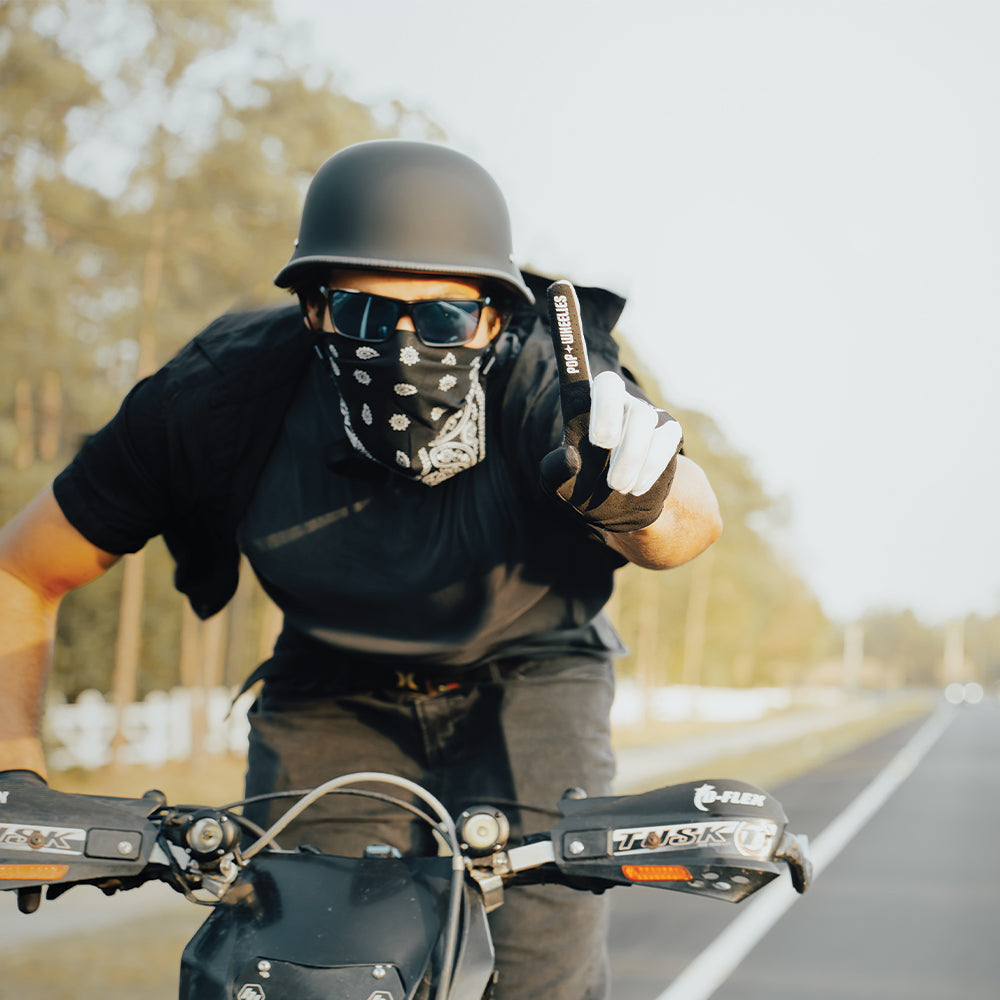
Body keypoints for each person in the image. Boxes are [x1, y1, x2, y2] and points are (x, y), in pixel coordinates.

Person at [0, 139, 721, 999]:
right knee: (296, 972)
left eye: (445, 320)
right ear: (312, 311)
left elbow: (689, 522)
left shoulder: (544, 377)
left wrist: (639, 500)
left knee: (542, 975)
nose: (407, 346)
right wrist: (16, 780)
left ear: (494, 319)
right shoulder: (218, 396)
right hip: (328, 689)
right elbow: (22, 570)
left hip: (531, 679)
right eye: (368, 316)